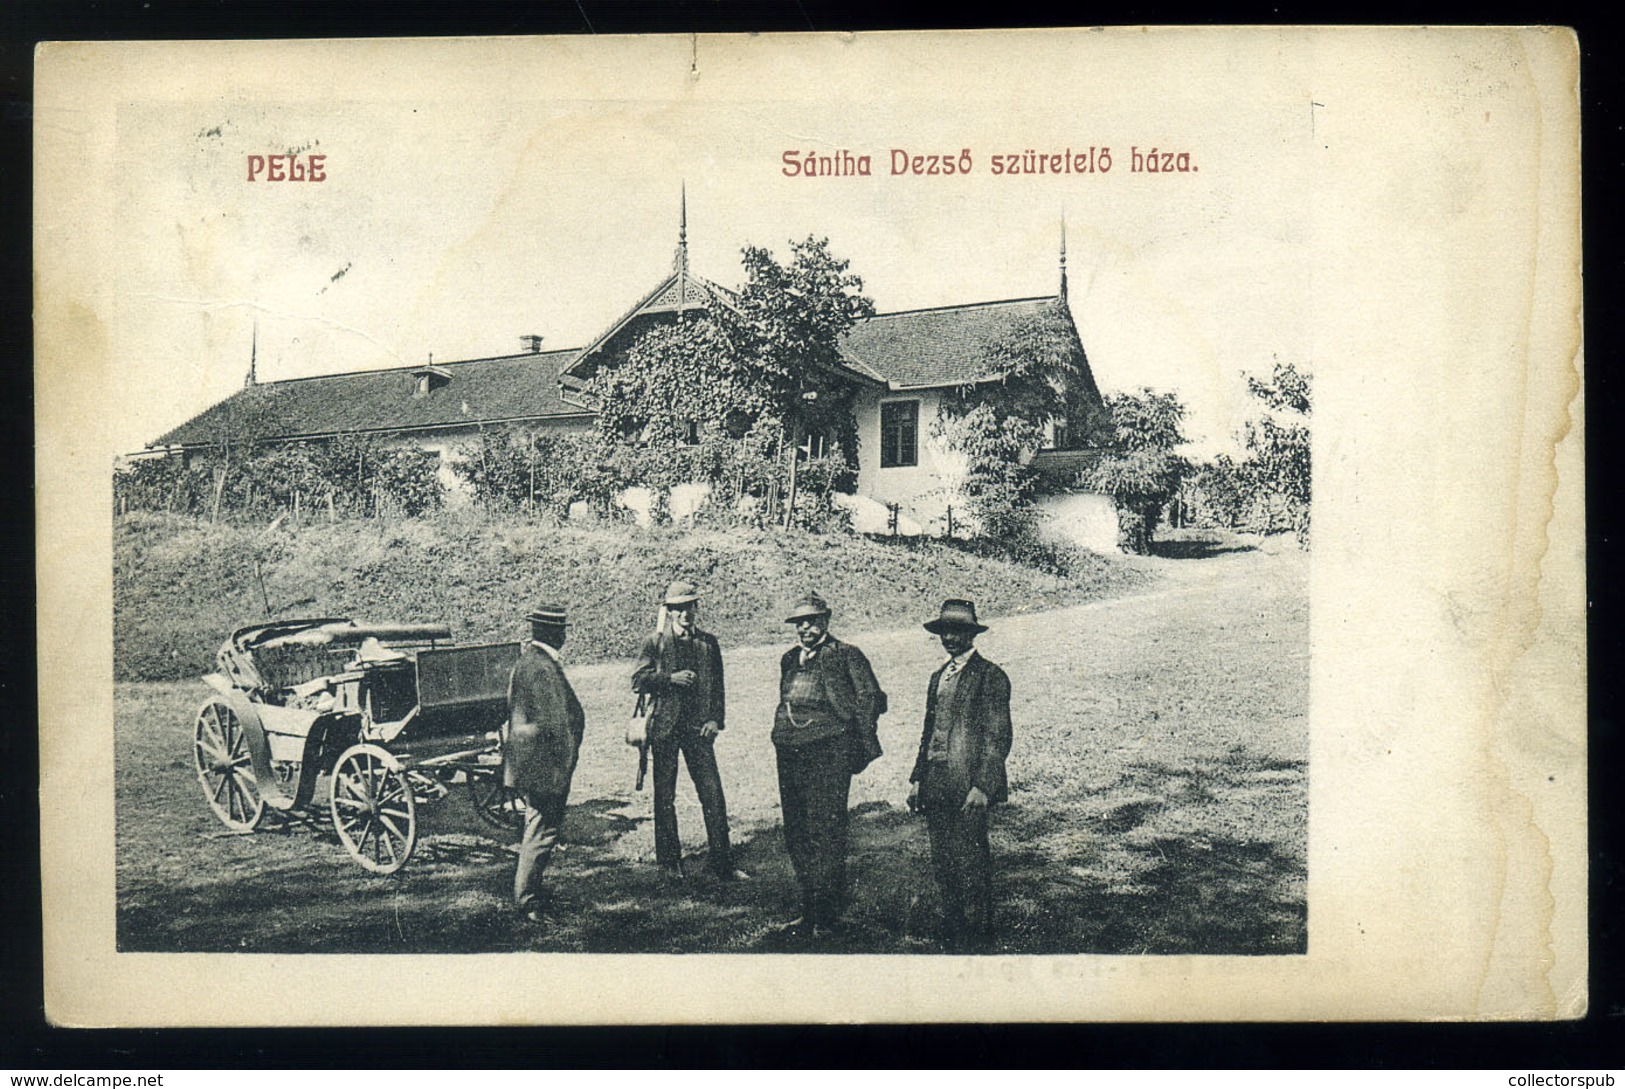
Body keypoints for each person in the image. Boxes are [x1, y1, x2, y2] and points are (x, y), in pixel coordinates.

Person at [773, 592, 886, 938]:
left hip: (828, 753)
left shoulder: (846, 654)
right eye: (799, 623)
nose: (805, 628)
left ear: (826, 621)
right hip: (789, 752)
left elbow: (872, 698)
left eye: (812, 621)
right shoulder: (789, 659)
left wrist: (855, 743)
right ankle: (809, 910)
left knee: (826, 829)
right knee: (797, 830)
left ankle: (828, 914)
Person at [907, 598, 1012, 952]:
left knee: (972, 858)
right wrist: (917, 778)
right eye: (944, 631)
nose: (950, 638)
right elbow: (928, 731)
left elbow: (998, 736)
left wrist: (983, 785)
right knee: (943, 858)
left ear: (971, 634)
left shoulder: (990, 676)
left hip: (968, 783)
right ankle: (952, 927)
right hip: (936, 781)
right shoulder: (938, 676)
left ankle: (980, 931)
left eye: (958, 631)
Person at [631, 579, 746, 882]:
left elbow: (718, 687)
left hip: (699, 730)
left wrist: (715, 721)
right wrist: (670, 679)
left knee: (712, 794)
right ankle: (670, 863)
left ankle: (722, 862)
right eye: (678, 609)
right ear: (669, 612)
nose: (685, 614)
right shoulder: (654, 643)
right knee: (664, 796)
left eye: (689, 607)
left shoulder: (708, 643)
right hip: (665, 729)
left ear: (696, 608)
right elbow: (638, 681)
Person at [504, 602, 586, 924]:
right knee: (540, 832)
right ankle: (527, 902)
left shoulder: (535, 661)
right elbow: (553, 723)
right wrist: (564, 762)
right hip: (543, 765)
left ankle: (531, 894)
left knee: (539, 829)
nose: (565, 634)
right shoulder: (539, 667)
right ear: (553, 633)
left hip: (539, 763)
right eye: (561, 629)